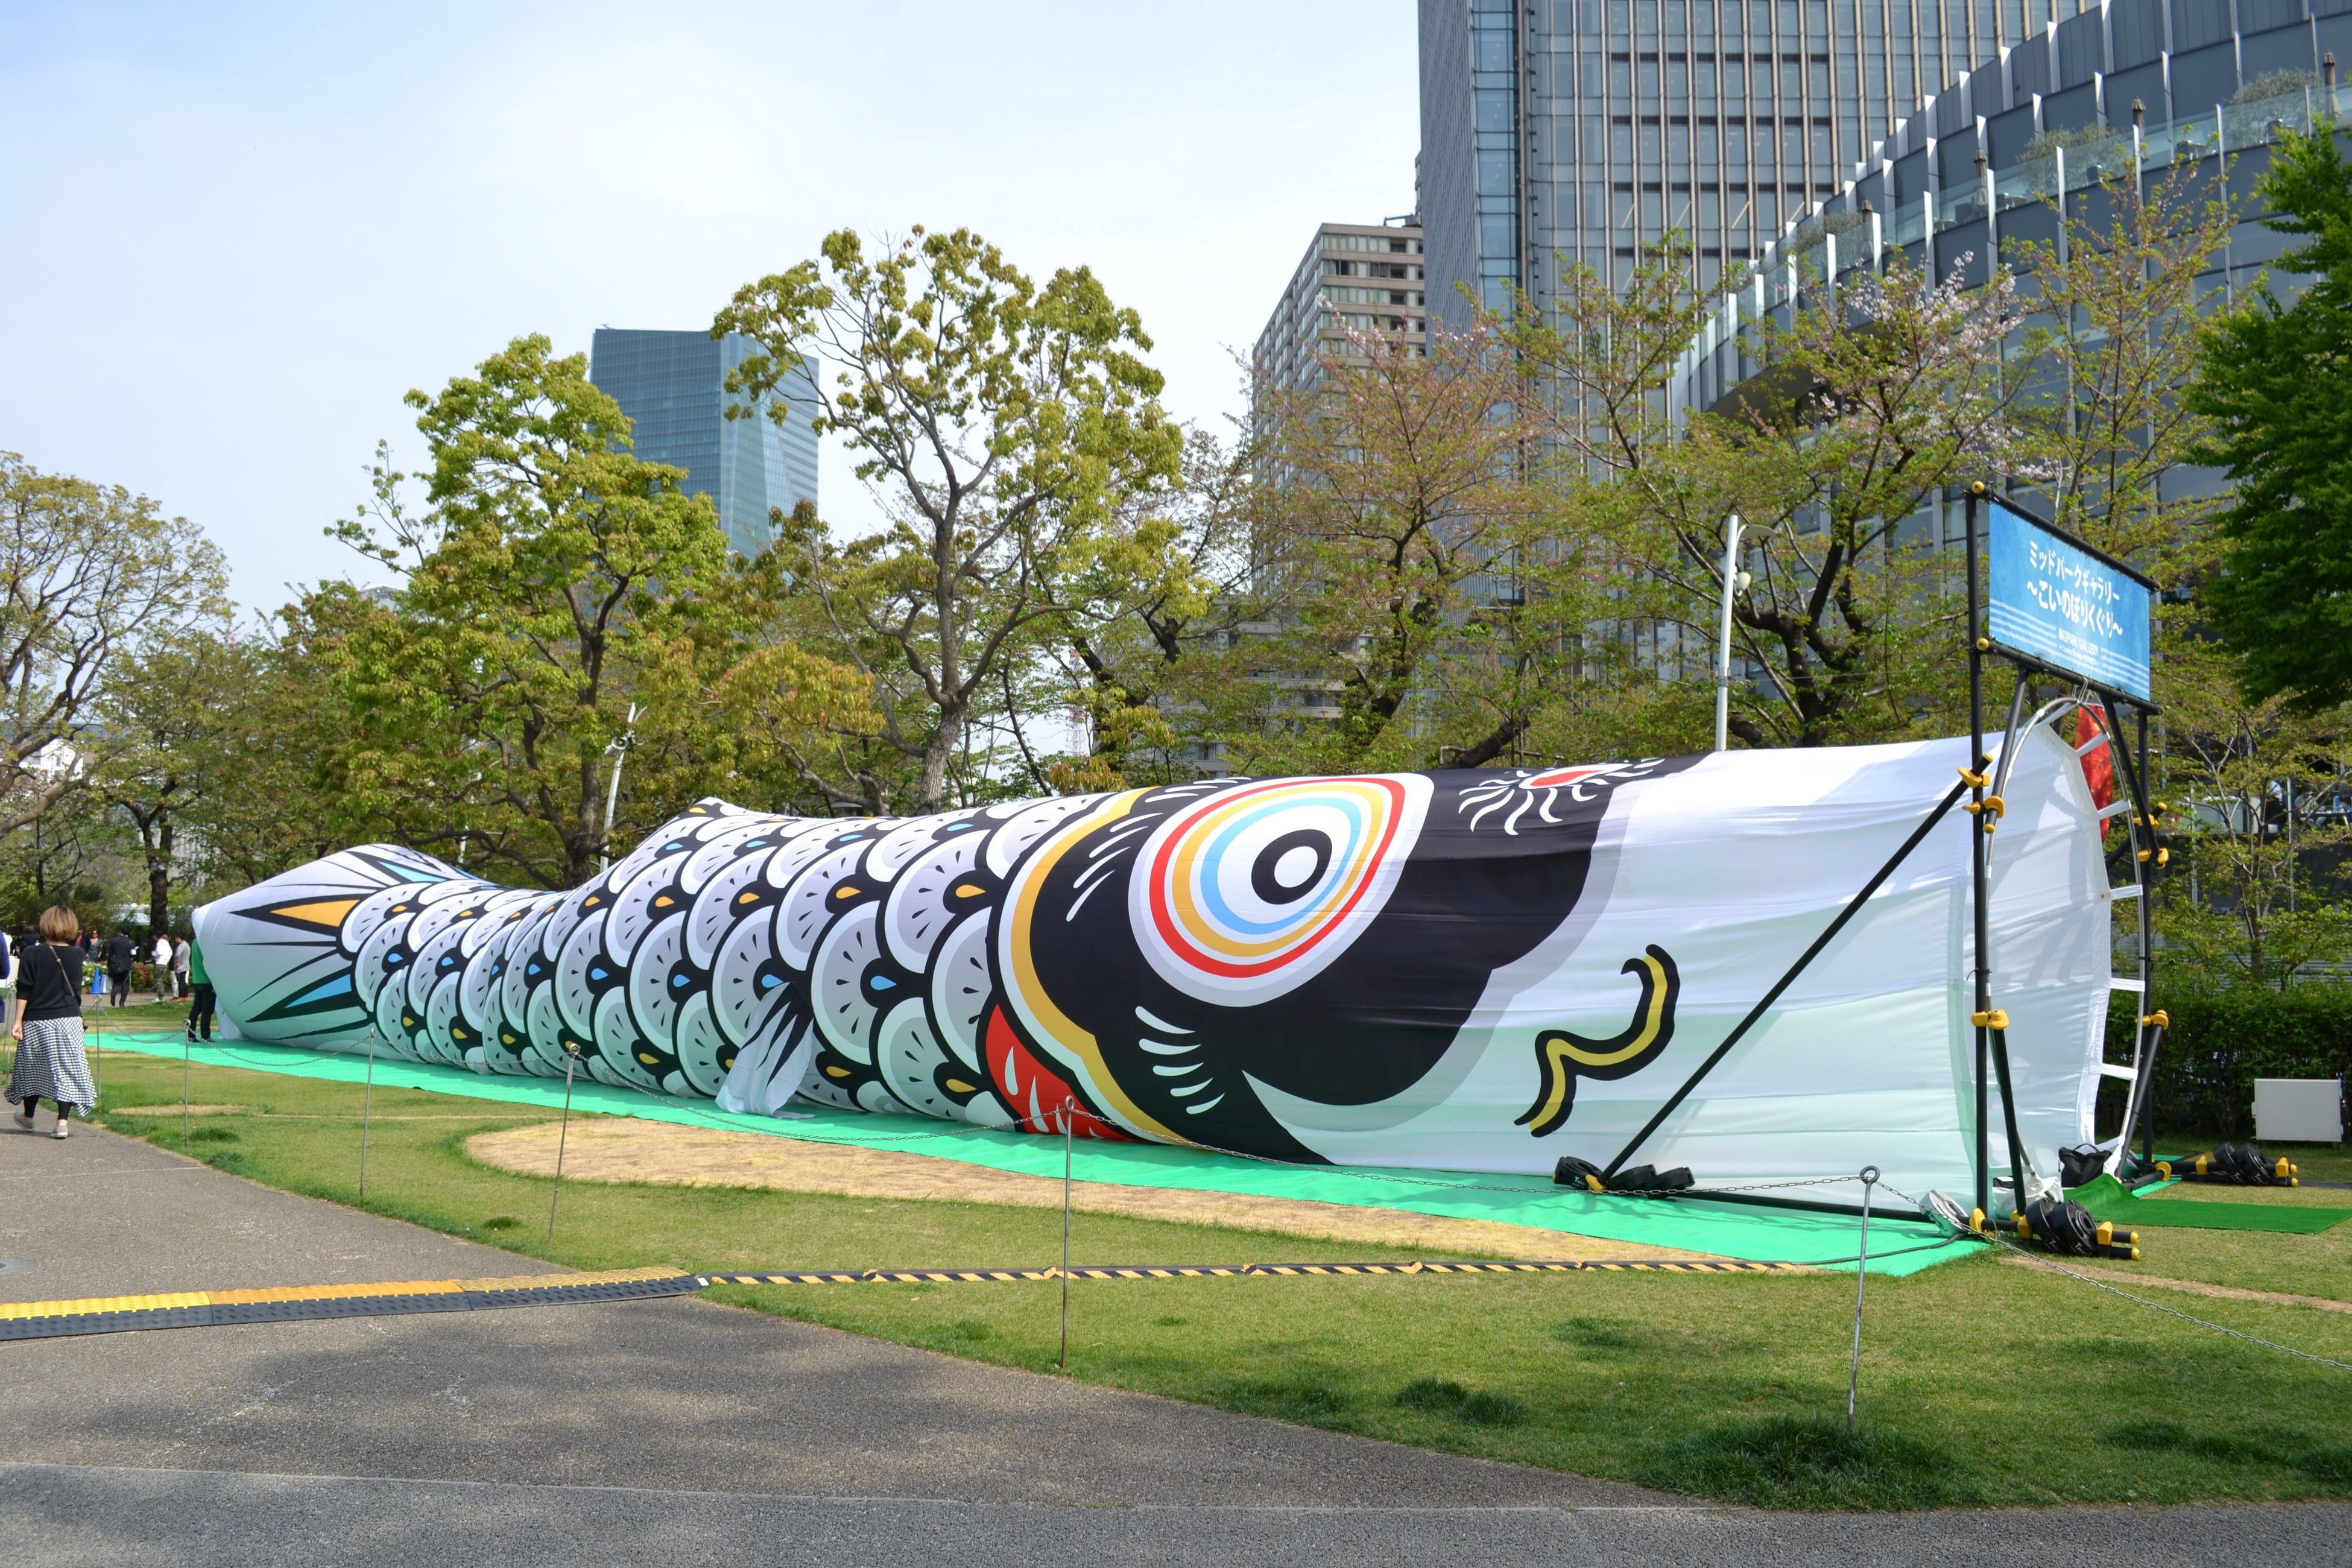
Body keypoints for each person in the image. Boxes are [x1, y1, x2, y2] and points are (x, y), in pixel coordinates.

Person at [11, 906, 93, 1139]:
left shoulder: (31, 954)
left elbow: (24, 989)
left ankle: (28, 1117)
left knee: (32, 1068)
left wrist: (17, 1021)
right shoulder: (78, 955)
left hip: (37, 1019)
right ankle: (62, 1122)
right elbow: (75, 990)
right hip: (69, 1019)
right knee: (65, 1069)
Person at [185, 934, 215, 1044]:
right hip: (207, 981)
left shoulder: (195, 942)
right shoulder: (205, 943)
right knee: (207, 1010)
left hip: (197, 979)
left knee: (197, 1008)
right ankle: (205, 1035)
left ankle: (191, 1034)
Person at [104, 927, 133, 1008]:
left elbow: (110, 953)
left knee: (116, 982)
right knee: (125, 984)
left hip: (115, 964)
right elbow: (133, 954)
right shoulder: (131, 942)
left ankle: (113, 994)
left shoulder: (114, 940)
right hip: (126, 964)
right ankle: (122, 1002)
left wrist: (109, 964)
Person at [150, 931, 171, 999]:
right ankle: (161, 995)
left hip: (159, 963)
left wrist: (153, 954)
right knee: (160, 980)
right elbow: (170, 952)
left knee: (158, 980)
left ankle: (160, 997)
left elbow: (159, 952)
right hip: (164, 963)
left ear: (156, 936)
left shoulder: (159, 943)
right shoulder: (166, 942)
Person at [170, 934, 191, 1001]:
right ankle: (185, 996)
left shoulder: (181, 946)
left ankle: (181, 996)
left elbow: (177, 955)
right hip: (186, 965)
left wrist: (177, 963)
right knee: (184, 981)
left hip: (181, 966)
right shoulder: (187, 945)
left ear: (179, 938)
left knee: (181, 982)